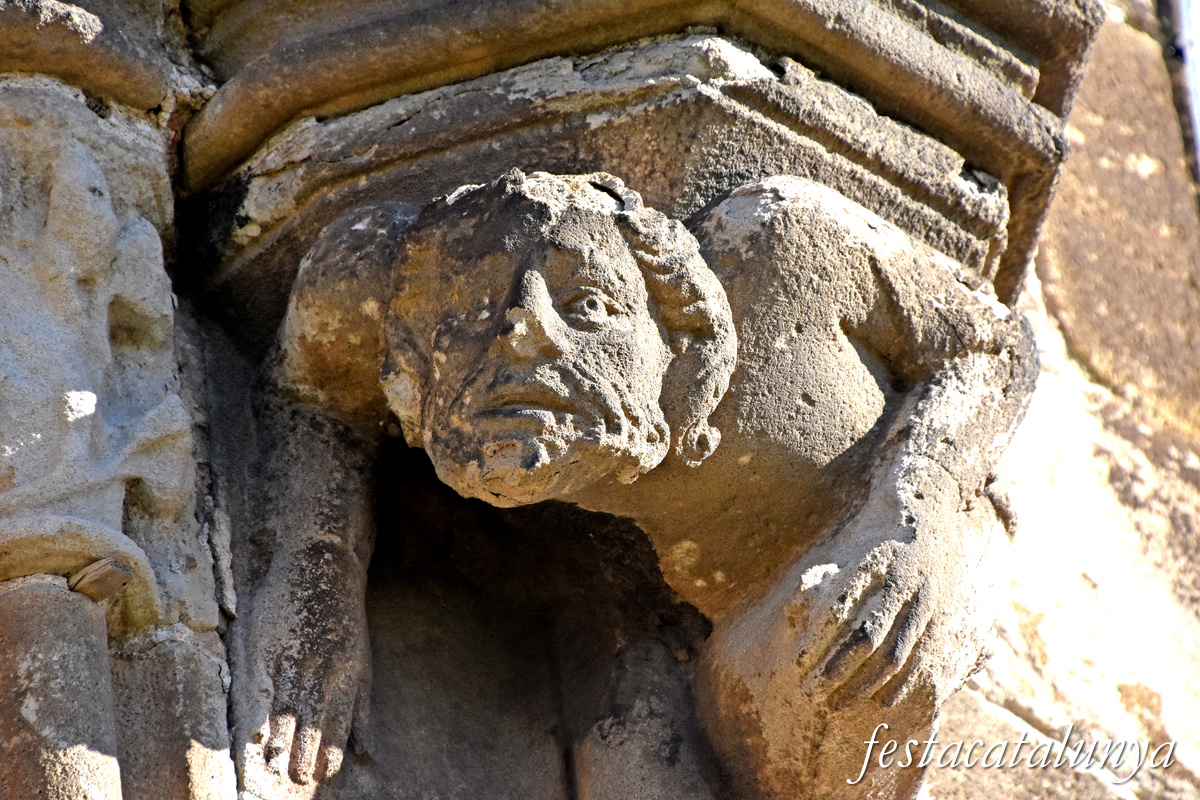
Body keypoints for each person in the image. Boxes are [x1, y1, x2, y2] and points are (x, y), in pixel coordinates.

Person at [245, 170, 1034, 799]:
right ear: (412, 377)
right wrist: (317, 572)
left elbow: (998, 346)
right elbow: (311, 391)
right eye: (475, 319)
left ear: (679, 334)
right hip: (621, 609)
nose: (525, 332)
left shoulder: (783, 249)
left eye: (588, 304)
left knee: (861, 637)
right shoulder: (372, 277)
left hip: (888, 535)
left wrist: (918, 510)